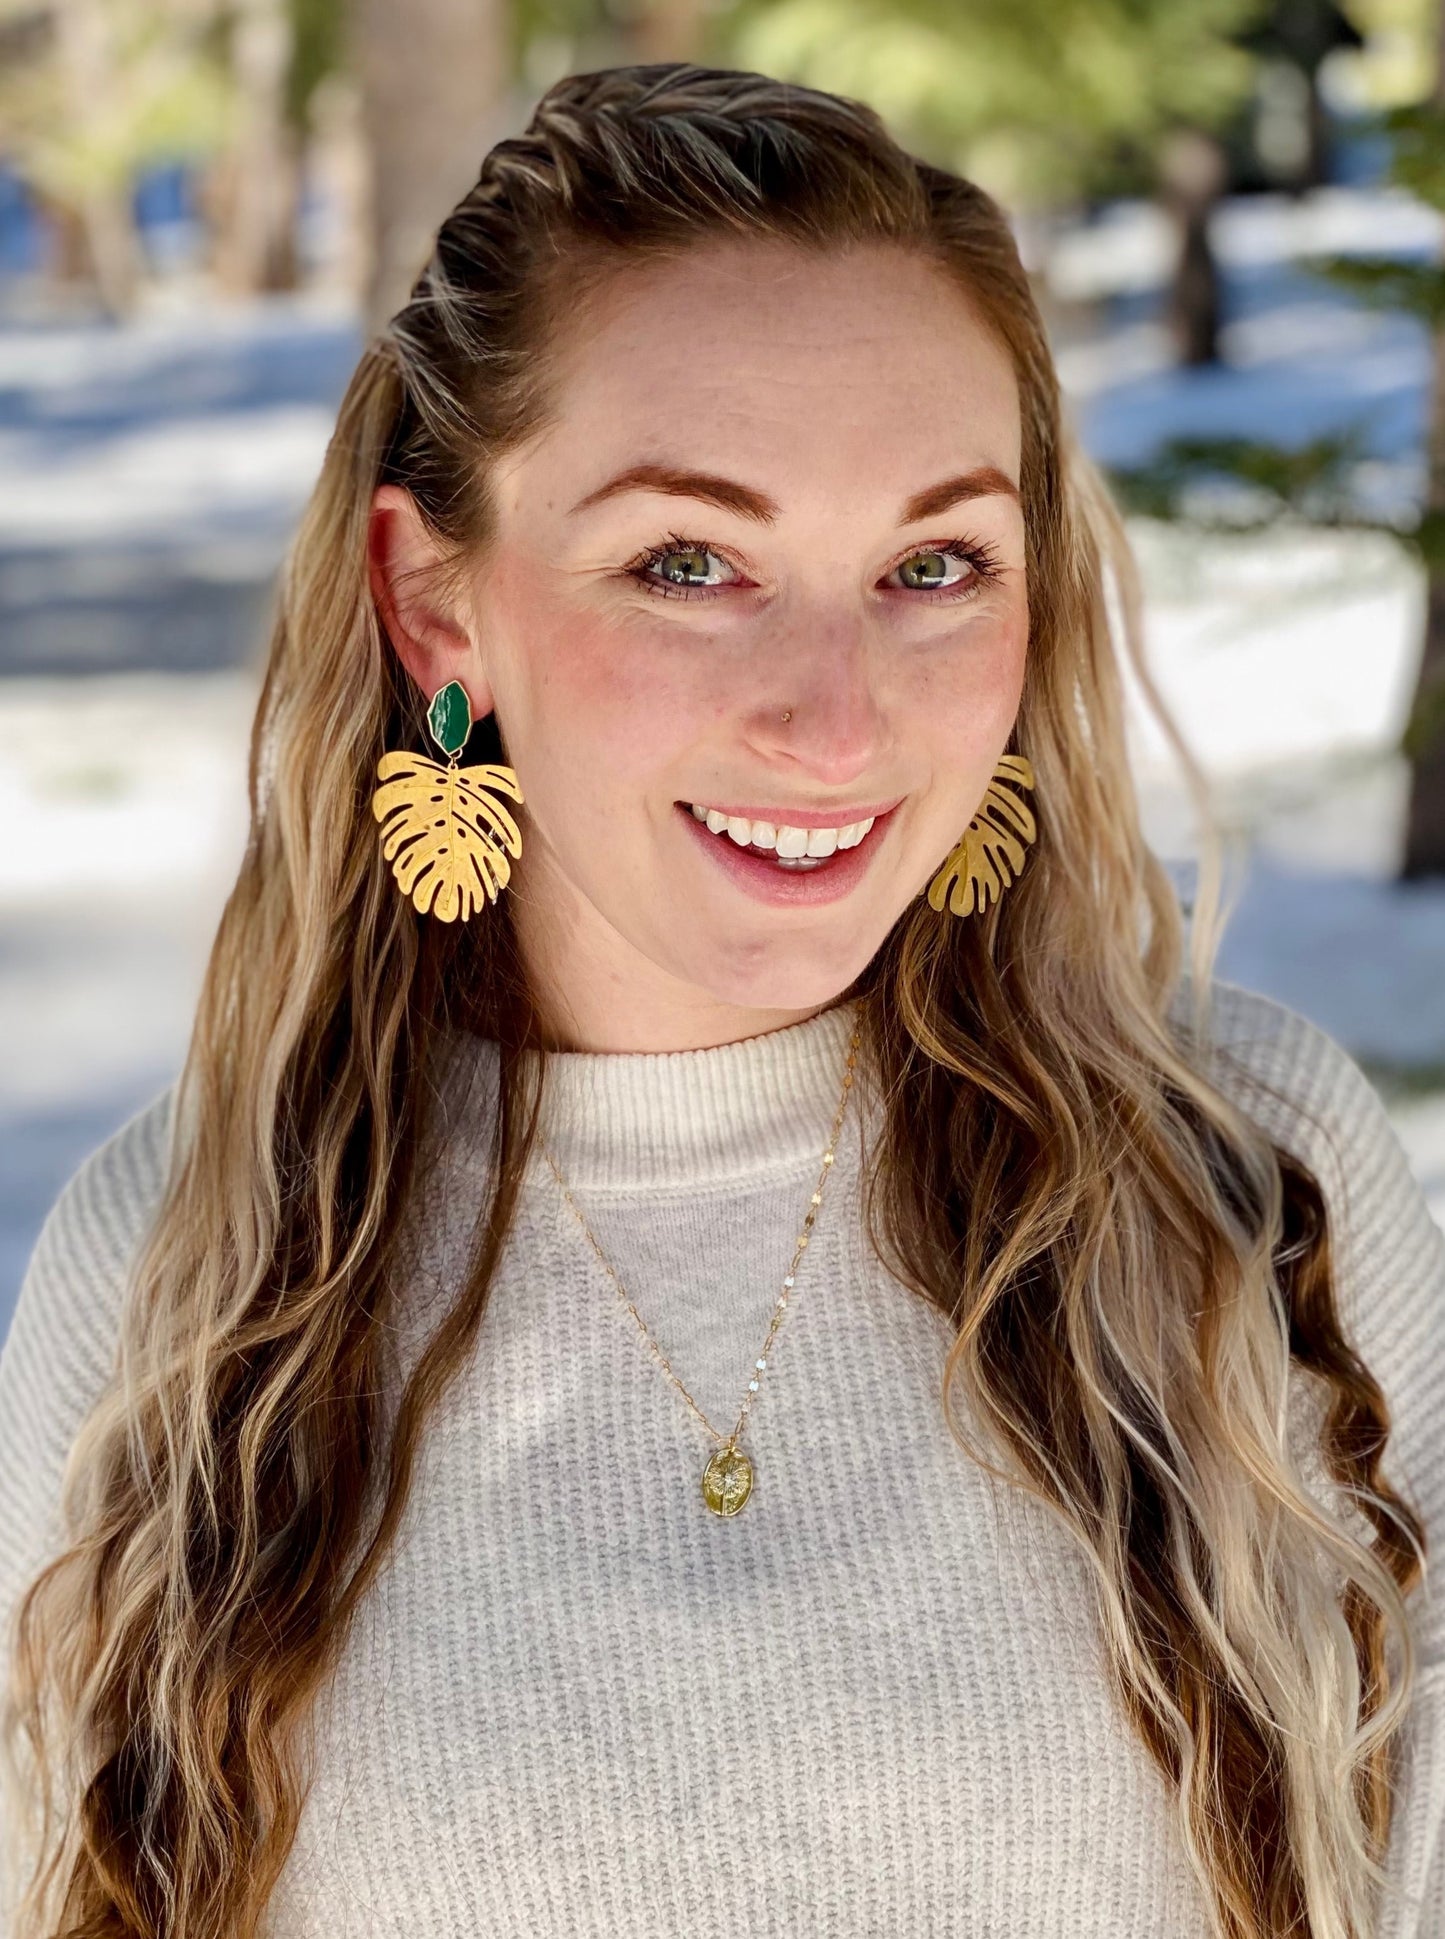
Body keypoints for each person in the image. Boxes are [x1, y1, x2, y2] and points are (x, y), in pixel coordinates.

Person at [1, 61, 1441, 1939]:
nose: (836, 721)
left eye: (935, 564)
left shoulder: (1250, 1188)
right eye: (689, 562)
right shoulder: (187, 1273)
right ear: (435, 602)